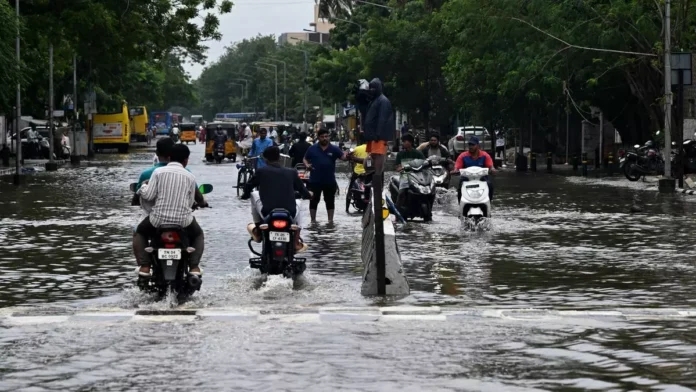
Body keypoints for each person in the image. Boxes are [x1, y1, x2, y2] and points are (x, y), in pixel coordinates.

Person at [135, 144, 206, 277]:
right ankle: (194, 267)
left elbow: (149, 195)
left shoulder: (157, 173)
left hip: (157, 220)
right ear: (186, 160)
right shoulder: (190, 176)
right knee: (198, 234)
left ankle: (145, 266)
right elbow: (190, 203)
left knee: (140, 232)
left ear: (169, 158)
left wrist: (143, 187)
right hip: (183, 221)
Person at [242, 146, 312, 252]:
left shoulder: (261, 171)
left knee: (253, 194)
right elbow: (303, 191)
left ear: (265, 159)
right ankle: (296, 240)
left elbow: (248, 187)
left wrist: (245, 195)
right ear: (279, 158)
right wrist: (309, 195)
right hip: (290, 213)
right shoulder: (292, 172)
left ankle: (257, 231)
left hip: (267, 212)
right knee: (299, 202)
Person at [303, 128, 350, 224]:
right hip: (315, 180)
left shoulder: (334, 149)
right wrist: (307, 165)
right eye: (322, 137)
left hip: (329, 180)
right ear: (318, 138)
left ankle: (330, 221)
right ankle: (313, 221)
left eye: (326, 136)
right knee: (313, 201)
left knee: (330, 201)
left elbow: (343, 158)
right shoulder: (312, 148)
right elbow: (305, 159)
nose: (324, 138)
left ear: (328, 137)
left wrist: (348, 156)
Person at [451, 136, 496, 202]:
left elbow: (491, 166)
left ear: (478, 146)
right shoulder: (463, 156)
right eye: (469, 145)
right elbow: (457, 167)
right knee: (460, 187)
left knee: (490, 185)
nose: (470, 147)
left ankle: (489, 202)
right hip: (466, 179)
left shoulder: (485, 155)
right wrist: (455, 171)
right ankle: (460, 204)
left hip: (482, 179)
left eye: (473, 145)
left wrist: (492, 169)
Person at [363, 78, 394, 169]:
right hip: (372, 136)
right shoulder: (373, 101)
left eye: (374, 88)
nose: (372, 90)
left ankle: (378, 181)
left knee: (378, 161)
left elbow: (382, 118)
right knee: (371, 161)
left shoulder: (383, 101)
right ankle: (372, 180)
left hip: (378, 137)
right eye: (370, 88)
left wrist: (378, 134)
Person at [395, 133, 426, 210]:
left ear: (410, 142)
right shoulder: (400, 154)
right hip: (405, 176)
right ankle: (397, 211)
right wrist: (401, 168)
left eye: (405, 141)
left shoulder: (418, 153)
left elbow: (423, 163)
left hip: (417, 177)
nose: (403, 143)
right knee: (401, 193)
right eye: (403, 141)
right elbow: (397, 167)